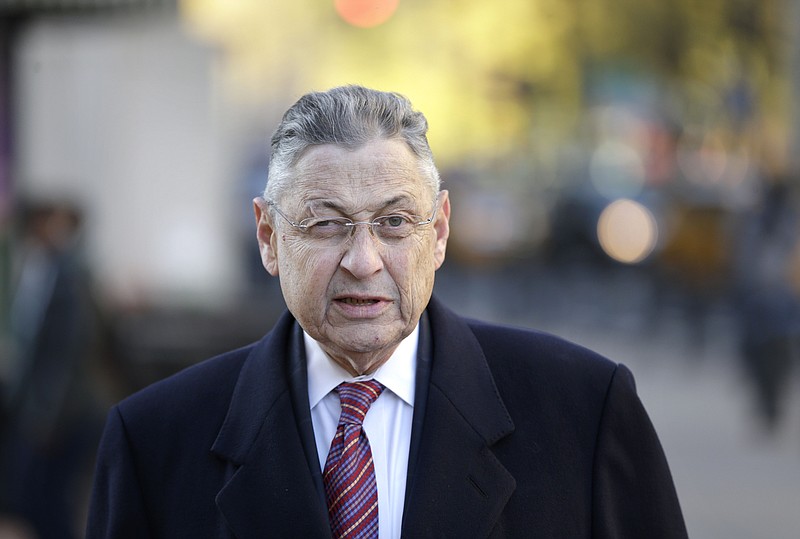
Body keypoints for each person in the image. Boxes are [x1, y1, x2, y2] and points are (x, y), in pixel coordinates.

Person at [86, 85, 688, 538]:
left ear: (441, 231)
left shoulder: (584, 412)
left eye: (395, 222)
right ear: (268, 238)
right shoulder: (154, 444)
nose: (364, 260)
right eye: (326, 224)